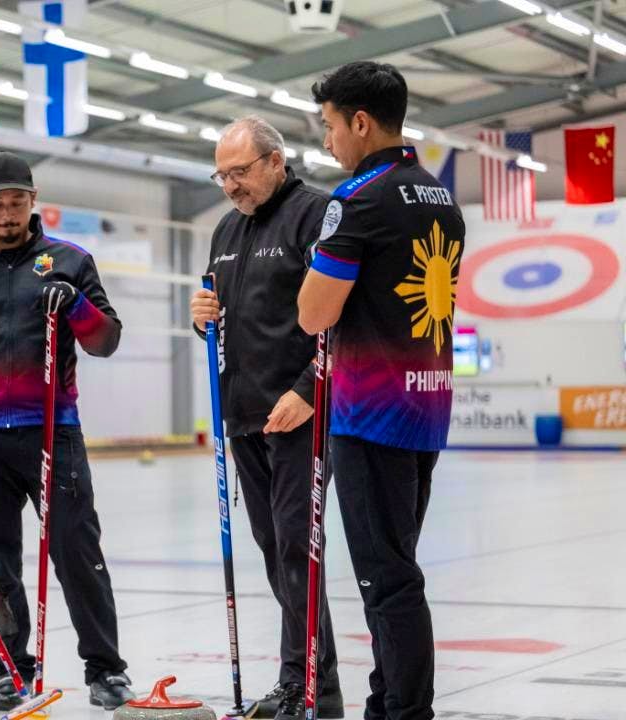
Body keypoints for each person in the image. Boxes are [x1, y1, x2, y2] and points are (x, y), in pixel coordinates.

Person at [0, 151, 135, 712]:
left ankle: (106, 670)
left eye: (17, 202)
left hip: (54, 435)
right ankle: (11, 669)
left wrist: (76, 304)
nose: (8, 214)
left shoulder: (71, 260)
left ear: (34, 201)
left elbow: (105, 341)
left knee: (78, 552)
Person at [298, 61, 465, 720]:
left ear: (361, 122)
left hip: (371, 413)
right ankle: (384, 702)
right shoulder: (440, 196)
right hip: (426, 406)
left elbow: (313, 314)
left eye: (330, 126)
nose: (328, 141)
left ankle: (406, 712)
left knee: (387, 579)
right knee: (394, 567)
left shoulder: (359, 200)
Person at [189, 116, 343, 720]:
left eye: (240, 172)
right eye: (221, 175)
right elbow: (225, 322)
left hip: (301, 414)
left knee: (296, 547)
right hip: (245, 415)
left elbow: (340, 315)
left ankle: (305, 684)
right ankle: (312, 681)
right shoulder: (226, 228)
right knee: (273, 545)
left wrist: (308, 390)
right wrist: (202, 317)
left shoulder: (316, 214)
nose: (231, 185)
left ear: (276, 161)